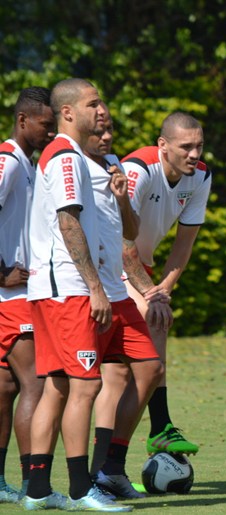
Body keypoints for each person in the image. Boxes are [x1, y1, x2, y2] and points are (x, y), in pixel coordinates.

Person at [22, 78, 132, 511]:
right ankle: (81, 489)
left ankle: (36, 491)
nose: (100, 110)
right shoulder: (66, 157)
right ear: (68, 112)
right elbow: (69, 223)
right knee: (85, 387)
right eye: (92, 103)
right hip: (68, 290)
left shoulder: (63, 155)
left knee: (58, 388)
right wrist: (95, 288)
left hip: (48, 290)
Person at [83, 112, 166, 499]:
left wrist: (121, 200)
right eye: (99, 132)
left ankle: (110, 469)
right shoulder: (69, 165)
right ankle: (67, 482)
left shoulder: (117, 167)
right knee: (77, 386)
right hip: (84, 290)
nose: (107, 137)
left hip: (117, 290)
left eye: (110, 131)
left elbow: (128, 234)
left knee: (148, 369)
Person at [120, 112, 210, 456]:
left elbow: (182, 246)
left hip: (138, 265)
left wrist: (164, 289)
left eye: (199, 146)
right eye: (186, 146)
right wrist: (150, 295)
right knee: (153, 318)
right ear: (163, 145)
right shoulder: (138, 170)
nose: (194, 154)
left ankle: (110, 468)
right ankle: (160, 426)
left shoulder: (200, 177)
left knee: (120, 376)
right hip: (105, 261)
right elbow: (120, 243)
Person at [0, 87, 53, 502]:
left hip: (14, 296)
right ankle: (33, 485)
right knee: (36, 385)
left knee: (5, 389)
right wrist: (1, 272)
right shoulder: (9, 162)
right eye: (45, 125)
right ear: (22, 120)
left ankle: (2, 485)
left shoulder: (27, 164)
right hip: (11, 297)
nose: (50, 133)